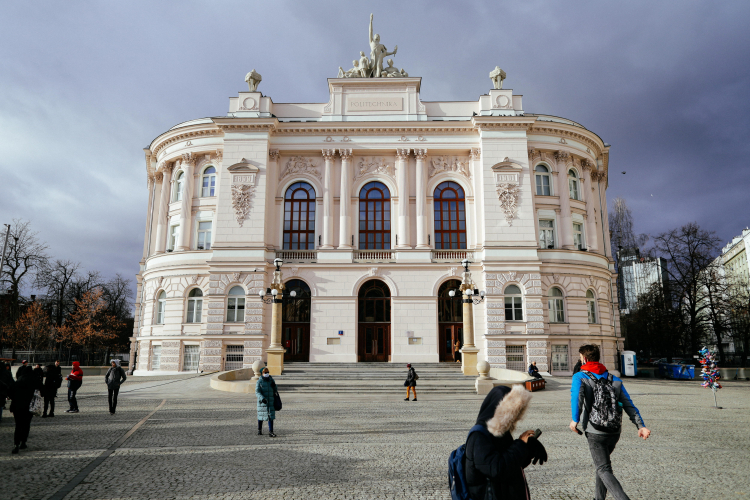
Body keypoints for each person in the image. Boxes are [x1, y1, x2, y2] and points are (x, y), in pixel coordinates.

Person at [570, 344, 651, 500]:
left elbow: (577, 398)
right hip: (614, 431)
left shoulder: (580, 377)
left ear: (585, 358)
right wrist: (641, 426)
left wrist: (575, 419)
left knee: (603, 468)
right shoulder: (615, 379)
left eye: (580, 358)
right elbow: (628, 404)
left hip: (595, 431)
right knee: (602, 466)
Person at [465, 385, 547, 499]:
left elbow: (511, 465)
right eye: (511, 413)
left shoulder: (501, 433)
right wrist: (520, 444)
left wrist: (529, 447)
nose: (514, 418)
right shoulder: (479, 436)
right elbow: (497, 470)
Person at [10, 367, 42, 453]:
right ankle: (23, 442)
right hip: (29, 406)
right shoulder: (34, 381)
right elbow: (41, 389)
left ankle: (16, 443)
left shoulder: (18, 381)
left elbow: (11, 393)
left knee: (18, 425)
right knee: (26, 424)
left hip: (17, 406)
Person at [255, 367, 276, 437]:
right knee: (261, 416)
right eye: (265, 372)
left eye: (267, 372)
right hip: (262, 402)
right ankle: (259, 430)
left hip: (270, 401)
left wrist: (274, 386)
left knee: (270, 416)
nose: (267, 374)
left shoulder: (271, 380)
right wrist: (262, 398)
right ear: (262, 373)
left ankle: (271, 431)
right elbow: (257, 392)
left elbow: (275, 390)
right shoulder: (259, 381)